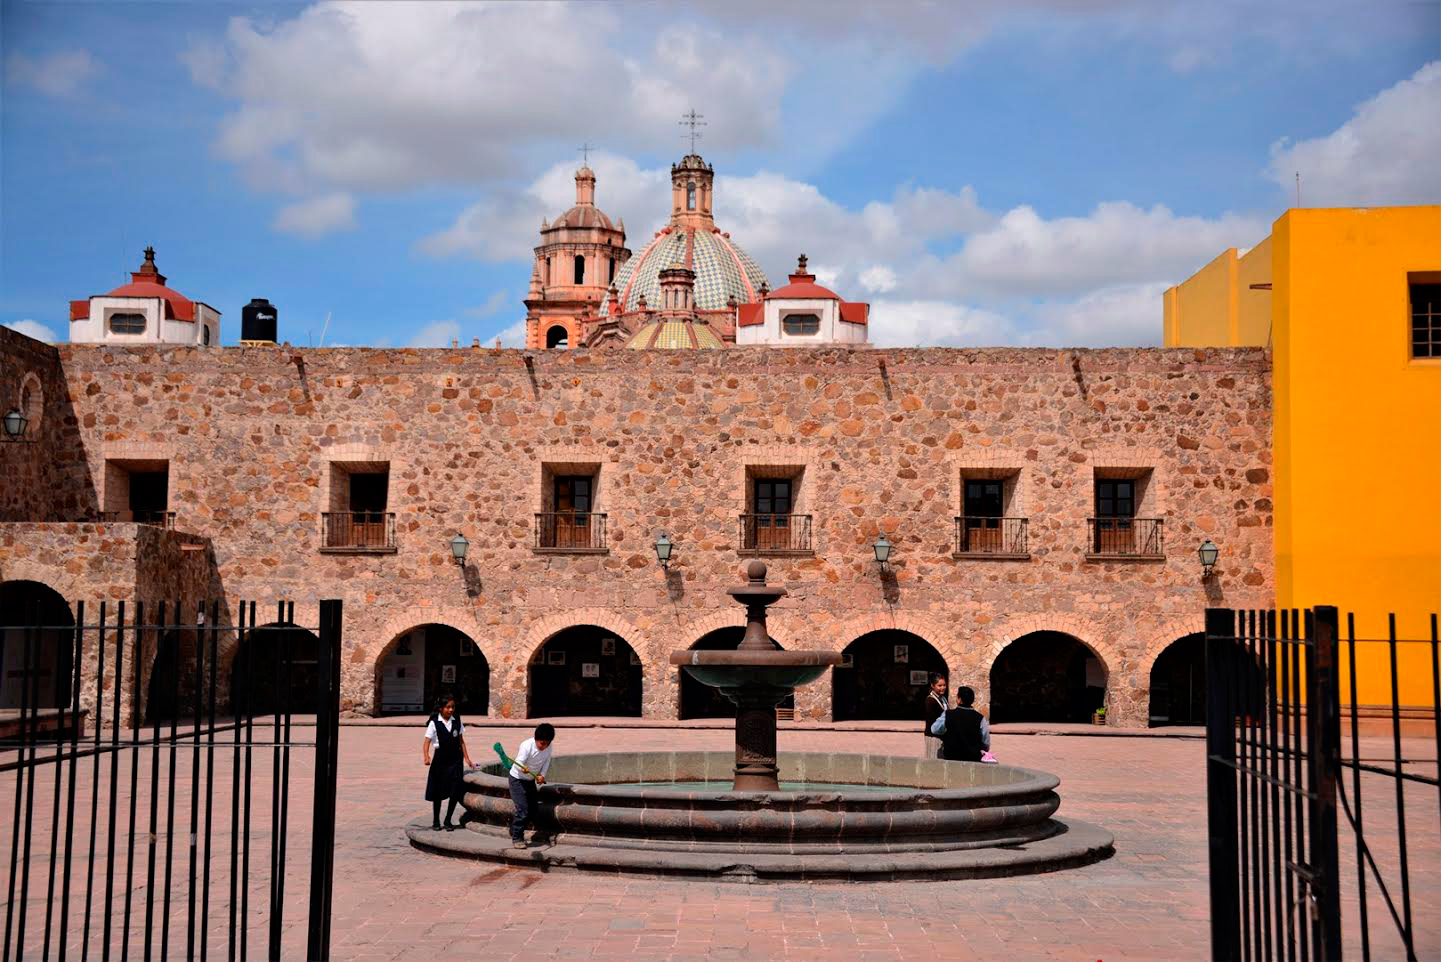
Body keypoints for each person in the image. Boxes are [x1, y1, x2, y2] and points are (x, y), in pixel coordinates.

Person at [422, 695, 473, 831]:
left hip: (456, 759)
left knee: (455, 790)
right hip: (440, 760)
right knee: (438, 791)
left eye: (453, 707)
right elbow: (426, 741)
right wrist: (426, 756)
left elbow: (461, 741)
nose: (451, 710)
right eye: (448, 707)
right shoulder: (434, 723)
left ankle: (448, 820)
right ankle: (436, 820)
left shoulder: (456, 721)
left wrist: (467, 758)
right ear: (441, 709)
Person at [508, 723, 555, 849]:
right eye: (541, 743)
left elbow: (546, 762)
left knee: (533, 809)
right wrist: (522, 768)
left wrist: (542, 775)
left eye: (547, 744)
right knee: (523, 809)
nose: (544, 746)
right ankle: (517, 837)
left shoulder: (549, 747)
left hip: (529, 781)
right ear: (535, 739)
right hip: (517, 779)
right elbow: (518, 762)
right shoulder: (526, 745)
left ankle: (514, 828)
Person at [930, 685, 991, 762]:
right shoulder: (980, 718)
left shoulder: (948, 714)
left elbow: (934, 729)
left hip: (951, 757)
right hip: (973, 758)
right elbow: (986, 742)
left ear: (959, 699)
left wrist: (946, 732)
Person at [922, 673, 948, 759]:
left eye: (944, 685)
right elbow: (933, 720)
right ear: (933, 686)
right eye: (939, 685)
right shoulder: (930, 700)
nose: (942, 688)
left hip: (942, 735)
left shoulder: (943, 698)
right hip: (933, 735)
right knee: (933, 760)